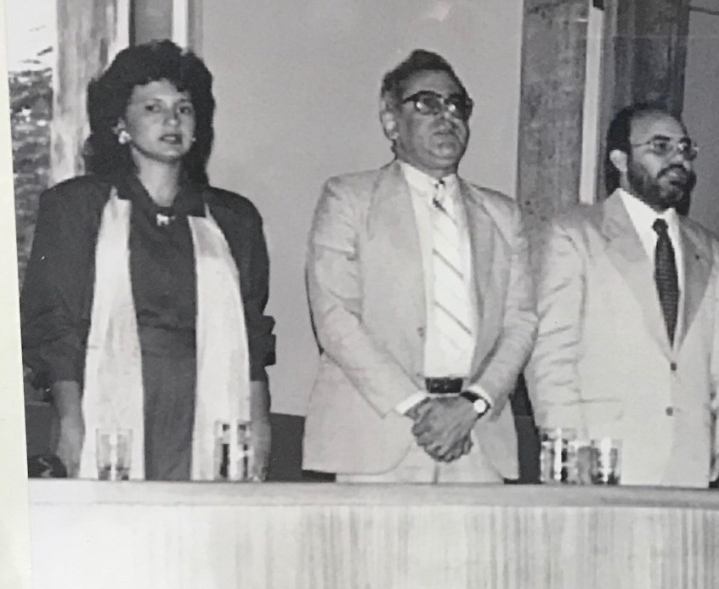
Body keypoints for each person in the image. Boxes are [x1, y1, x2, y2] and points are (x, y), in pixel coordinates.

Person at [21, 40, 274, 481]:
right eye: (153, 108)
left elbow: (252, 335)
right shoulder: (76, 208)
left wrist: (259, 422)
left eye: (184, 108)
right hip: (108, 396)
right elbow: (54, 328)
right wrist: (69, 419)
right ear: (120, 123)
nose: (172, 120)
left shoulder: (234, 218)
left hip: (208, 396)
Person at [303, 50, 535, 482]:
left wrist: (473, 404)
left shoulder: (502, 215)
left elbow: (520, 322)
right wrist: (420, 407)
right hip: (380, 432)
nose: (445, 116)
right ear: (391, 122)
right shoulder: (349, 199)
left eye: (456, 105)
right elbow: (335, 318)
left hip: (476, 437)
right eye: (426, 103)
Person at [527, 104, 719, 487]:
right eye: (660, 147)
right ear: (620, 160)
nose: (677, 159)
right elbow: (551, 354)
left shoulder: (711, 248)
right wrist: (567, 447)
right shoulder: (575, 234)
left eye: (684, 149)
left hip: (692, 462)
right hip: (602, 458)